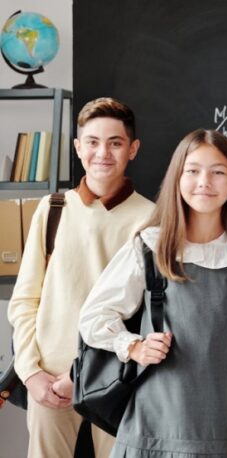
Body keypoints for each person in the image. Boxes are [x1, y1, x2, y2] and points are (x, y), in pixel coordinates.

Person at [78, 129, 227, 457]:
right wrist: (133, 345)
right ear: (177, 177)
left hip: (221, 431)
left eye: (218, 172)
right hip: (149, 429)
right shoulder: (149, 246)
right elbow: (94, 316)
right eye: (193, 171)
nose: (205, 182)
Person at [7, 97, 155, 457]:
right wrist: (30, 373)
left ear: (132, 148)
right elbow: (26, 301)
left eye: (115, 143)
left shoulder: (152, 218)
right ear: (77, 147)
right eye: (92, 141)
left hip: (118, 381)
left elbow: (150, 314)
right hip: (49, 379)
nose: (102, 152)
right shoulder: (53, 209)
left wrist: (84, 377)